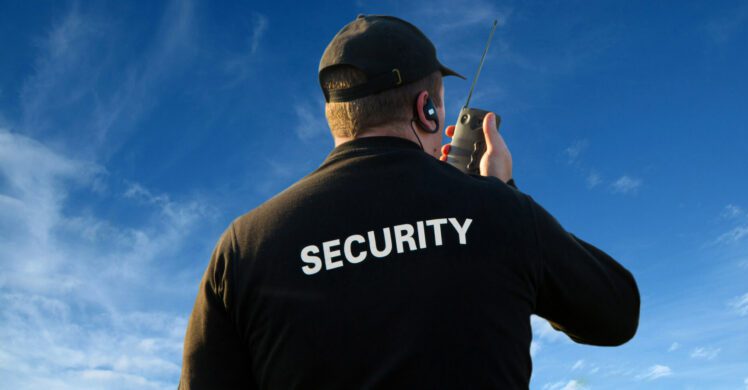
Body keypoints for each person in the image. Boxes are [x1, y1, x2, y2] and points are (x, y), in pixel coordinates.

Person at [179, 14, 640, 389]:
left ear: (335, 117)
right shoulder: (501, 211)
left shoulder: (243, 245)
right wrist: (502, 192)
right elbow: (617, 314)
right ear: (428, 109)